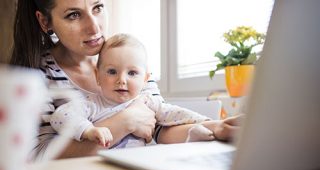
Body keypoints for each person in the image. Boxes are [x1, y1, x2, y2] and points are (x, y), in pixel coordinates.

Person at [10, 0, 242, 160]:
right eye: (74, 14)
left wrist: (216, 127)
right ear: (44, 21)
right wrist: (125, 121)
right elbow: (38, 155)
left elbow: (157, 128)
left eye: (98, 7)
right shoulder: (34, 76)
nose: (94, 27)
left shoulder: (125, 55)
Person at [50, 33, 216, 149]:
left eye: (132, 73)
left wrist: (202, 121)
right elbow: (59, 117)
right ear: (97, 76)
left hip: (136, 165)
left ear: (145, 79)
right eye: (112, 71)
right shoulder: (92, 104)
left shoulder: (146, 101)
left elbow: (172, 113)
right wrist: (88, 130)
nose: (122, 80)